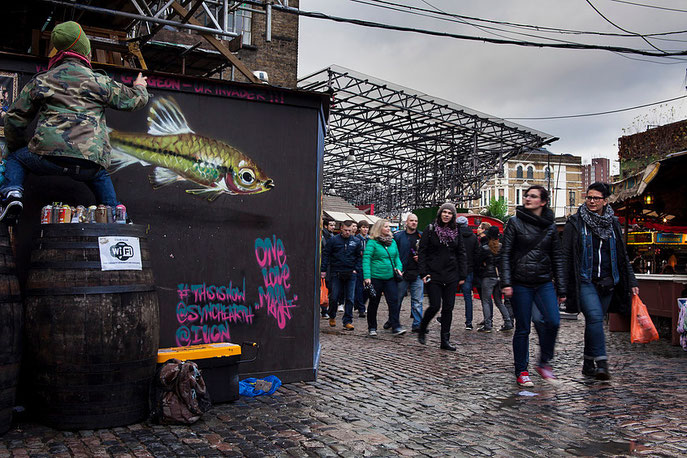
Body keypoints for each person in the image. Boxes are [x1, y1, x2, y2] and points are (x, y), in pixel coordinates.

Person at [0, 21, 149, 224]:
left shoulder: (43, 80)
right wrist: (140, 86)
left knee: (16, 159)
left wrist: (19, 145)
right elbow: (134, 101)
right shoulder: (100, 82)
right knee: (100, 174)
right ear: (85, 51)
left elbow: (14, 118)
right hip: (89, 161)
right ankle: (115, 213)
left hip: (47, 157)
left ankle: (12, 195)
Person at [562, 182, 638, 380]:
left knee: (593, 323)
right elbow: (565, 255)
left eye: (596, 198)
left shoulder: (613, 224)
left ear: (605, 201)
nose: (591, 201)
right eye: (589, 197)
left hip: (609, 282)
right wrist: (562, 286)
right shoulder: (576, 223)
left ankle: (588, 363)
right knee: (595, 318)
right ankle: (602, 362)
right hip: (586, 281)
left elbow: (622, 254)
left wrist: (632, 282)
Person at [501, 185, 566, 386]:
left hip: (544, 282)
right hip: (521, 283)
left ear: (543, 202)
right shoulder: (514, 222)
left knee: (553, 321)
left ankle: (544, 362)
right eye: (527, 195)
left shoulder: (550, 226)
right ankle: (521, 370)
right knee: (523, 328)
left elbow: (558, 257)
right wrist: (506, 282)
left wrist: (562, 288)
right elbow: (505, 254)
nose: (527, 199)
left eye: (533, 196)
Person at [417, 203, 467, 351]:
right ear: (440, 214)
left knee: (448, 308)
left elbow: (461, 253)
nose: (446, 215)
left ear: (453, 216)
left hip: (451, 274)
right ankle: (422, 327)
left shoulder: (456, 231)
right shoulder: (430, 229)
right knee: (434, 305)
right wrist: (423, 272)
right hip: (433, 274)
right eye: (444, 212)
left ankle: (445, 340)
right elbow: (423, 252)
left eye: (449, 213)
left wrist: (462, 274)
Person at [363, 219, 406, 337]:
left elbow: (397, 257)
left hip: (390, 277)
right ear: (379, 228)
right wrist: (367, 277)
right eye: (386, 226)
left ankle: (396, 326)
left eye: (389, 227)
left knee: (393, 301)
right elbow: (366, 259)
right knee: (374, 302)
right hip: (376, 277)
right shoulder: (372, 242)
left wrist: (398, 267)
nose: (388, 229)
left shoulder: (392, 242)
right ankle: (372, 327)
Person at [321, 220, 361, 331]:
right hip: (336, 272)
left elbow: (359, 257)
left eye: (350, 230)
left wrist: (356, 269)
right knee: (334, 297)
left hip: (350, 273)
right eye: (345, 230)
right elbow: (326, 254)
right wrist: (323, 270)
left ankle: (347, 321)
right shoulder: (333, 240)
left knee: (350, 298)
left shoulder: (356, 241)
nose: (348, 232)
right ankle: (332, 315)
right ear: (341, 229)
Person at [477, 226, 513, 332]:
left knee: (486, 301)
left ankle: (488, 325)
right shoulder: (501, 247)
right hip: (499, 277)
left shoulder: (485, 248)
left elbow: (478, 262)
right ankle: (508, 322)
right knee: (499, 302)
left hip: (488, 277)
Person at [393, 213, 423, 332]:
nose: (414, 223)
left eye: (415, 221)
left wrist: (420, 257)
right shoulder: (398, 236)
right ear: (407, 222)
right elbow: (393, 253)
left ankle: (417, 324)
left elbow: (428, 252)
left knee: (417, 301)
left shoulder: (421, 236)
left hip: (417, 272)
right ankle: (394, 321)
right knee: (397, 299)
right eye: (411, 220)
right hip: (402, 272)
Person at [457, 215, 480, 330]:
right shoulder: (474, 237)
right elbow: (477, 255)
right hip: (469, 270)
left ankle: (444, 317)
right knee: (467, 297)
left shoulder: (455, 235)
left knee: (448, 295)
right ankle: (469, 322)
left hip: (455, 269)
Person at [354, 220, 370, 317]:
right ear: (360, 228)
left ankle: (360, 303)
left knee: (368, 288)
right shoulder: (356, 239)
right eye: (364, 227)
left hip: (368, 266)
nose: (365, 229)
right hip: (359, 265)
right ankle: (361, 309)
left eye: (367, 227)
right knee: (359, 288)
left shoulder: (370, 240)